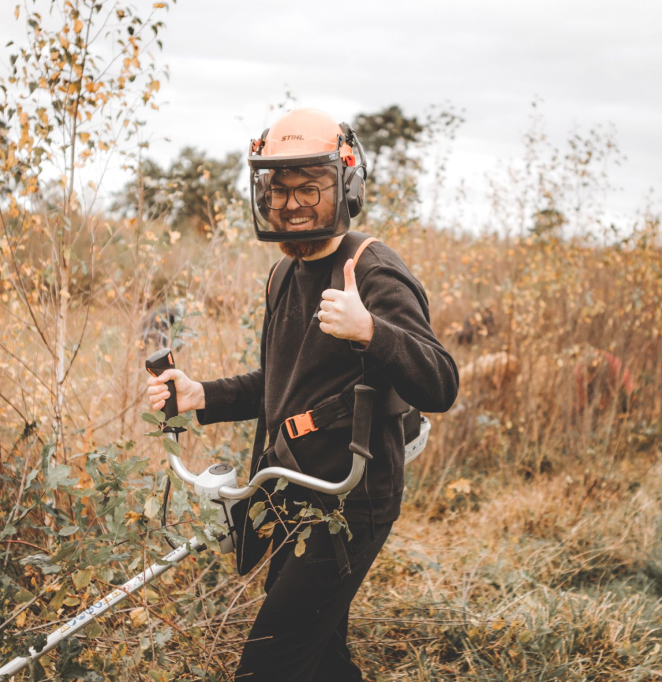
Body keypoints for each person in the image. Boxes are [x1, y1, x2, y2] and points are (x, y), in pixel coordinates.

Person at [146, 108, 458, 681]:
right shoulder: (282, 276)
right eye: (279, 189)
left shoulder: (372, 271)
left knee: (268, 663)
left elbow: (441, 382)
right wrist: (200, 396)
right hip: (290, 493)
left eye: (309, 188)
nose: (292, 204)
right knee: (321, 659)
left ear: (346, 186)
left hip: (351, 502)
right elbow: (279, 385)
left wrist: (371, 330)